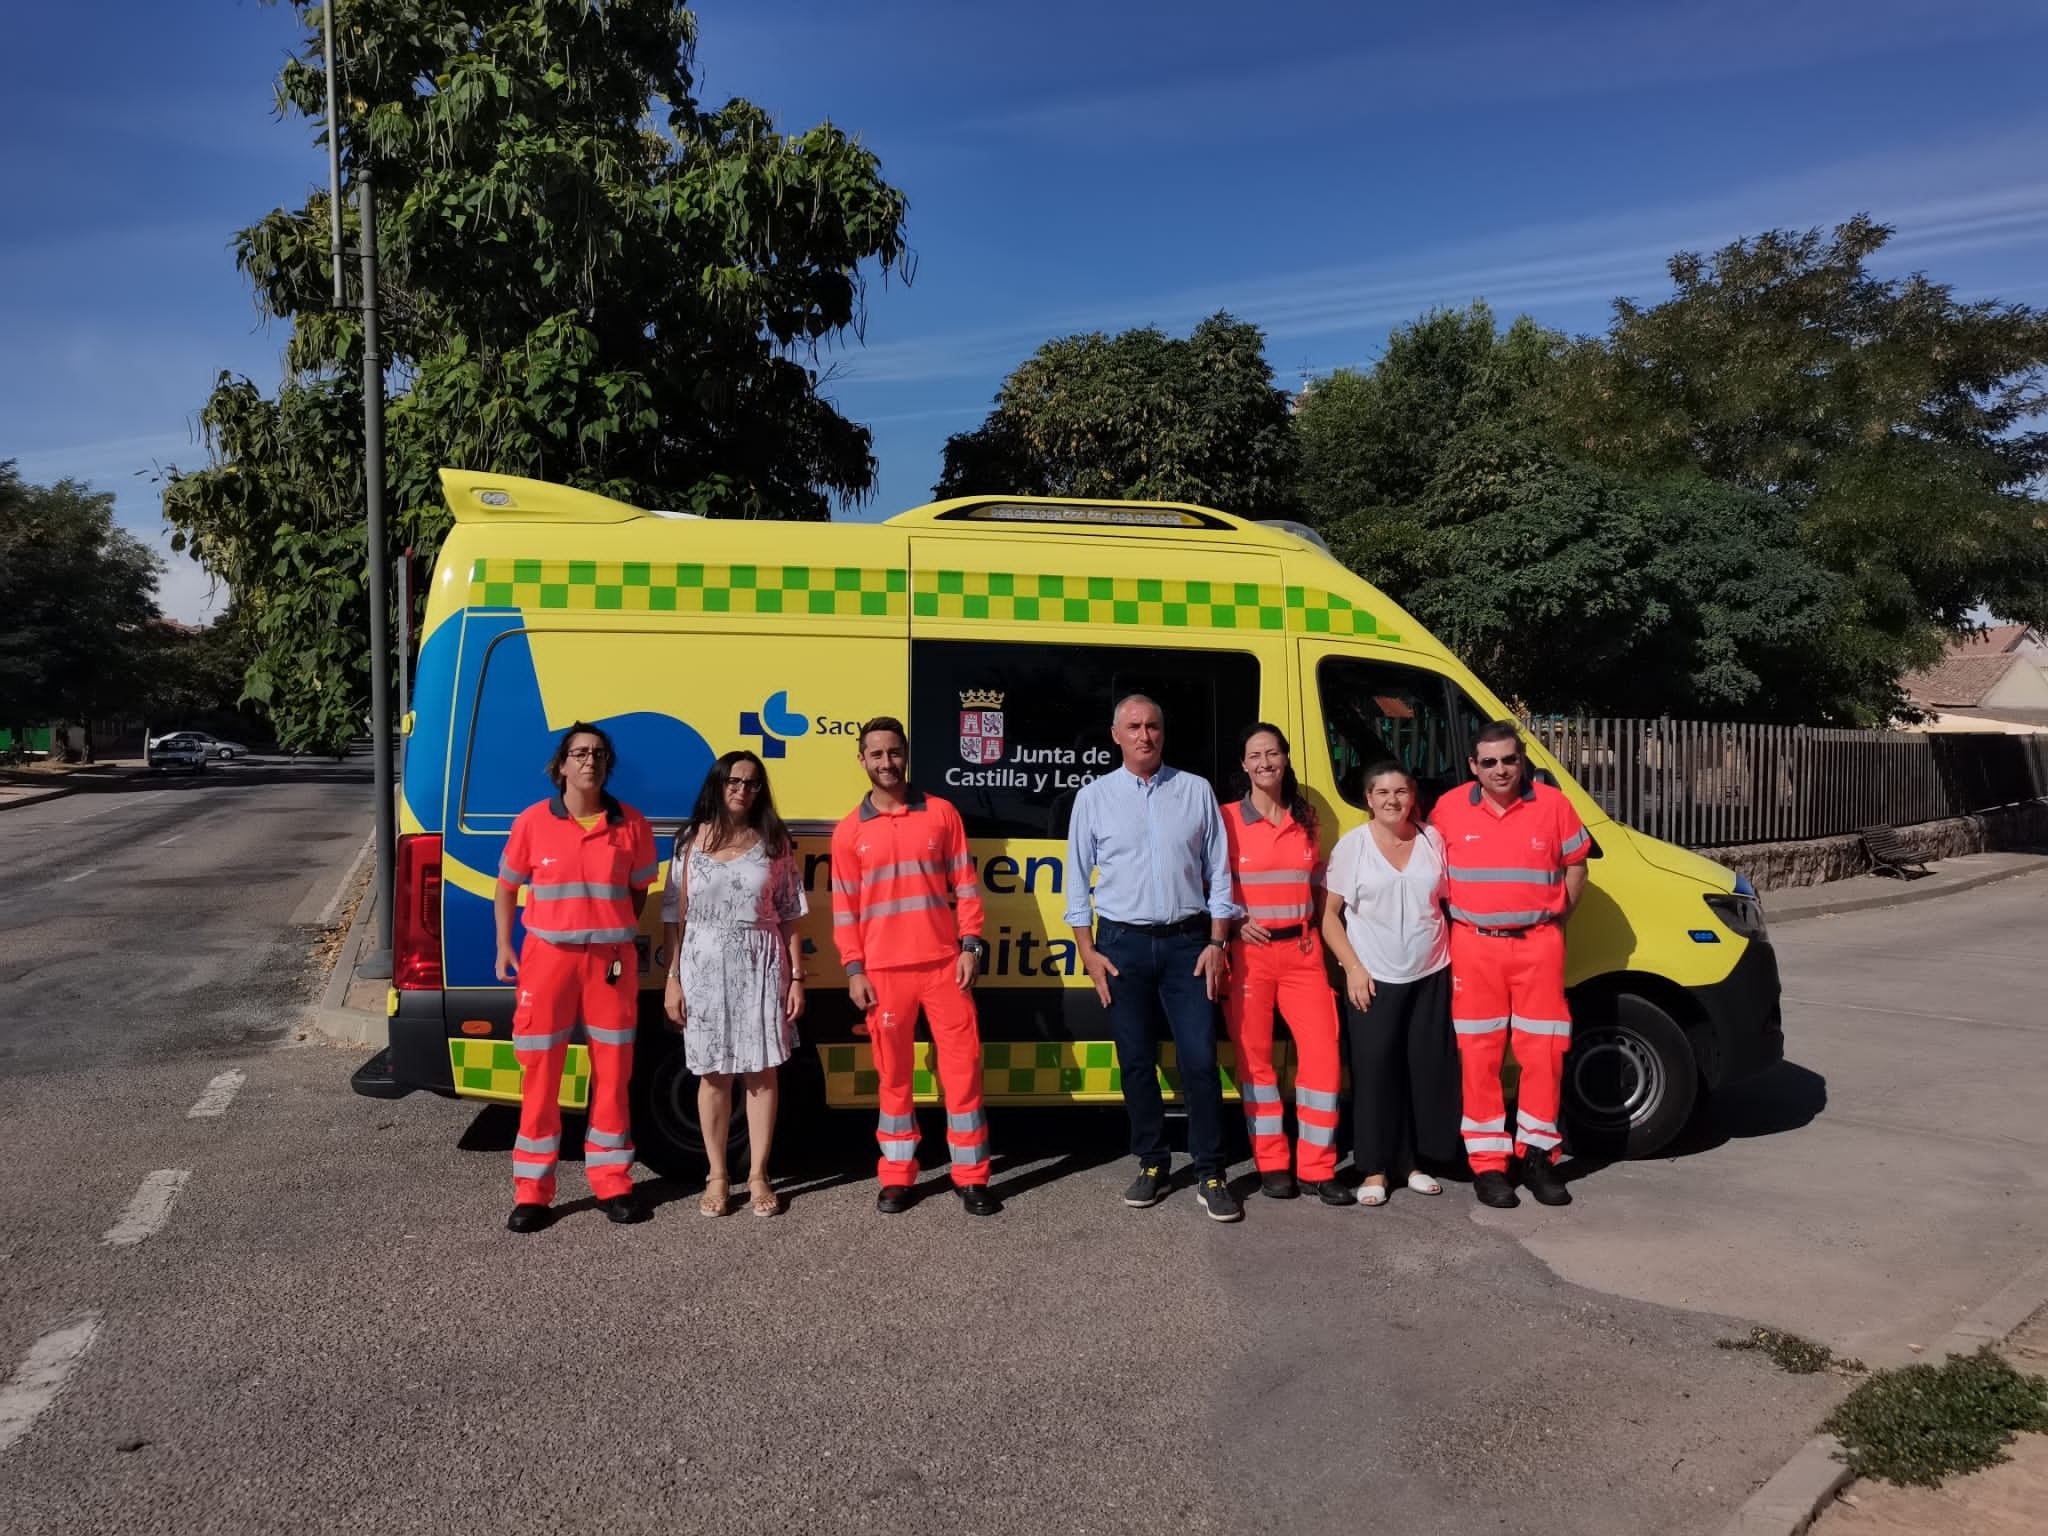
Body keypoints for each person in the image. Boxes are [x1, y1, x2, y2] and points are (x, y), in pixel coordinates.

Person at [1066, 694, 1242, 1223]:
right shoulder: (1094, 797)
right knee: (1137, 1062)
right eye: (1135, 726)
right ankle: (1151, 1161)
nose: (1146, 735)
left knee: (1199, 1063)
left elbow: (1220, 873)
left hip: (1189, 946)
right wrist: (1088, 952)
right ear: (1115, 735)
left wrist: (1217, 942)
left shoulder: (1194, 790)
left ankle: (1211, 1170)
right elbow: (1076, 881)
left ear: (1164, 733)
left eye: (1154, 726)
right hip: (1121, 947)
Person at [828, 717, 999, 1217]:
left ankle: (971, 1177)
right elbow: (845, 909)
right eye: (876, 754)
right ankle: (898, 1177)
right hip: (883, 974)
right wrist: (854, 969)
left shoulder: (942, 814)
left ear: (906, 754)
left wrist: (971, 946)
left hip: (945, 966)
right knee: (893, 1077)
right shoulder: (848, 832)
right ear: (862, 759)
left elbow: (966, 885)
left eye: (894, 752)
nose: (886, 763)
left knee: (963, 1071)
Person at [493, 722, 658, 1232]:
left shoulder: (631, 824)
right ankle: (534, 1192)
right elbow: (506, 888)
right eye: (580, 753)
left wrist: (611, 929)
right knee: (540, 1071)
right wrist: (504, 945)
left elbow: (638, 892)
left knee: (614, 1072)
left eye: (599, 754)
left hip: (609, 962)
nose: (590, 761)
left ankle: (612, 1182)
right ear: (561, 765)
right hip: (548, 958)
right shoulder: (532, 822)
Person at [1427, 721, 1591, 1209]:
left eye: (1509, 760)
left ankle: (1540, 1159)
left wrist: (1559, 915)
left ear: (1523, 761)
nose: (1501, 770)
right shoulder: (1449, 809)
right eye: (1490, 762)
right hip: (1474, 946)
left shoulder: (1553, 805)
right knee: (1479, 1057)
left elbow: (1578, 863)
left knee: (1543, 1055)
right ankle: (1489, 1165)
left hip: (1539, 944)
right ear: (1474, 766)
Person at [661, 751, 806, 1219]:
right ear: (718, 784)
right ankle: (718, 1174)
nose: (743, 789)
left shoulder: (773, 840)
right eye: (735, 781)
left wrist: (796, 977)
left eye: (753, 783)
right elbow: (673, 915)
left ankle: (759, 1173)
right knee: (713, 1074)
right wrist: (672, 978)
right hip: (702, 966)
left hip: (762, 964)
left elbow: (790, 913)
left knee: (762, 1075)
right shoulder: (689, 840)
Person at [1221, 724, 1351, 1207]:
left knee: (1322, 1057)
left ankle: (1318, 1167)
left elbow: (1319, 889)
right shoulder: (1227, 818)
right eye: (1255, 755)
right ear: (1244, 764)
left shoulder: (1307, 818)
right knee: (1255, 1061)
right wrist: (1234, 921)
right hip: (1250, 955)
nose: (1264, 763)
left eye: (1272, 753)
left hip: (1302, 950)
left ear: (1285, 758)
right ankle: (1272, 1164)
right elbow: (1207, 883)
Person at [1321, 760, 1460, 1206]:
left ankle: (1412, 1163)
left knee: (1422, 1069)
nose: (1393, 801)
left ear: (1412, 797)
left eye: (1401, 792)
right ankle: (1375, 1169)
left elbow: (1448, 903)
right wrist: (1354, 969)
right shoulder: (1352, 847)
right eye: (1382, 793)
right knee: (1376, 1072)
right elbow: (1329, 918)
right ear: (1368, 799)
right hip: (1373, 978)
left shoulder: (1432, 839)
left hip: (1431, 972)